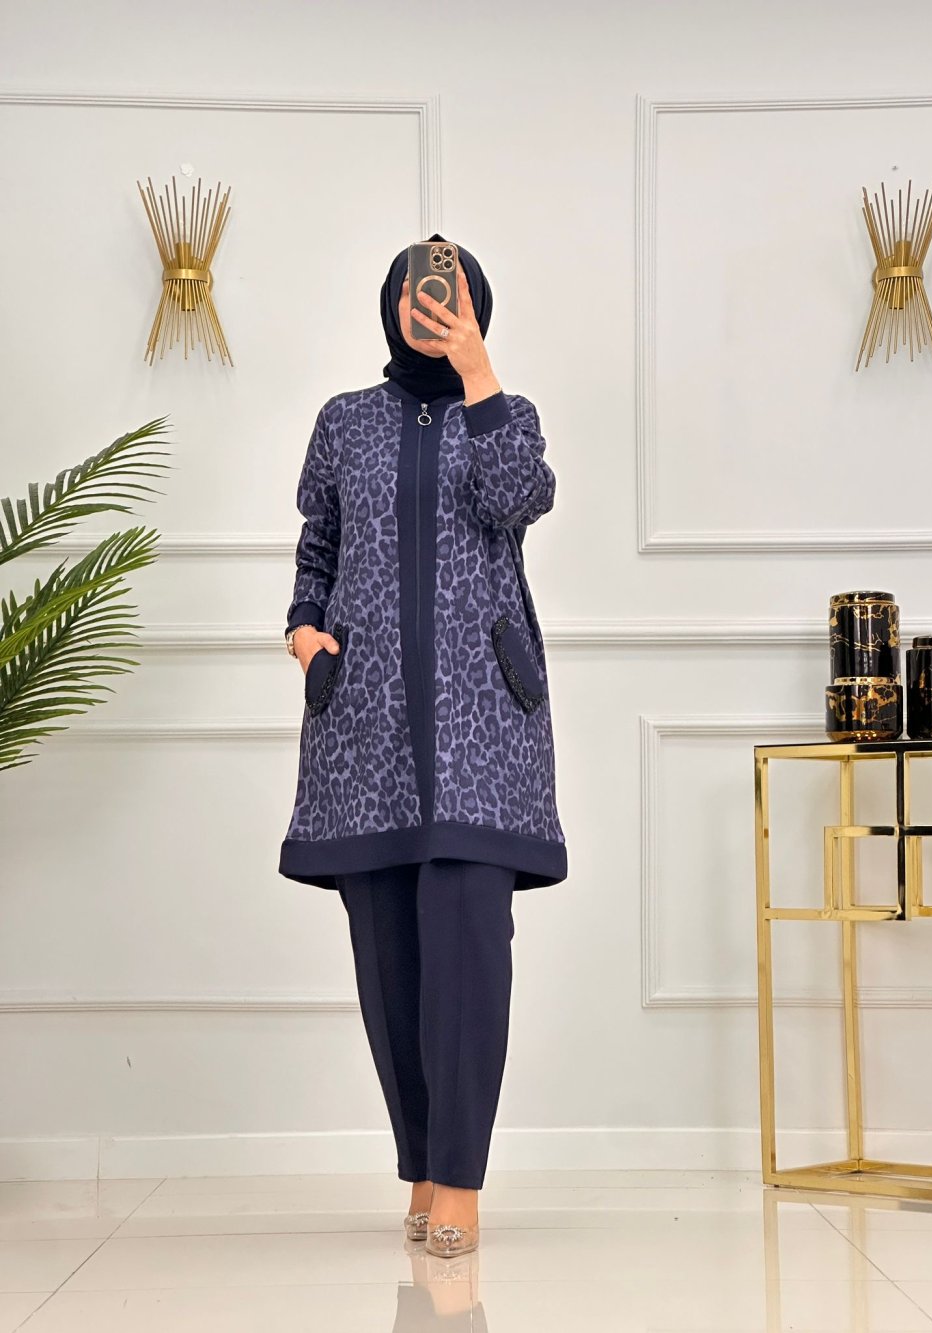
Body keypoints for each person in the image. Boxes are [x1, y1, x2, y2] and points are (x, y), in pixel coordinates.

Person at [278, 234, 568, 1258]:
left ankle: (462, 1181)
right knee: (388, 960)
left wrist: (477, 372)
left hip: (483, 729)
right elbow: (317, 546)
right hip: (363, 728)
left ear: (473, 302)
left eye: (446, 289)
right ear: (389, 303)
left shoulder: (507, 414)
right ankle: (422, 1164)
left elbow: (515, 498)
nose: (427, 300)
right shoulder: (344, 421)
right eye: (413, 288)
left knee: (467, 953)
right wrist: (305, 635)